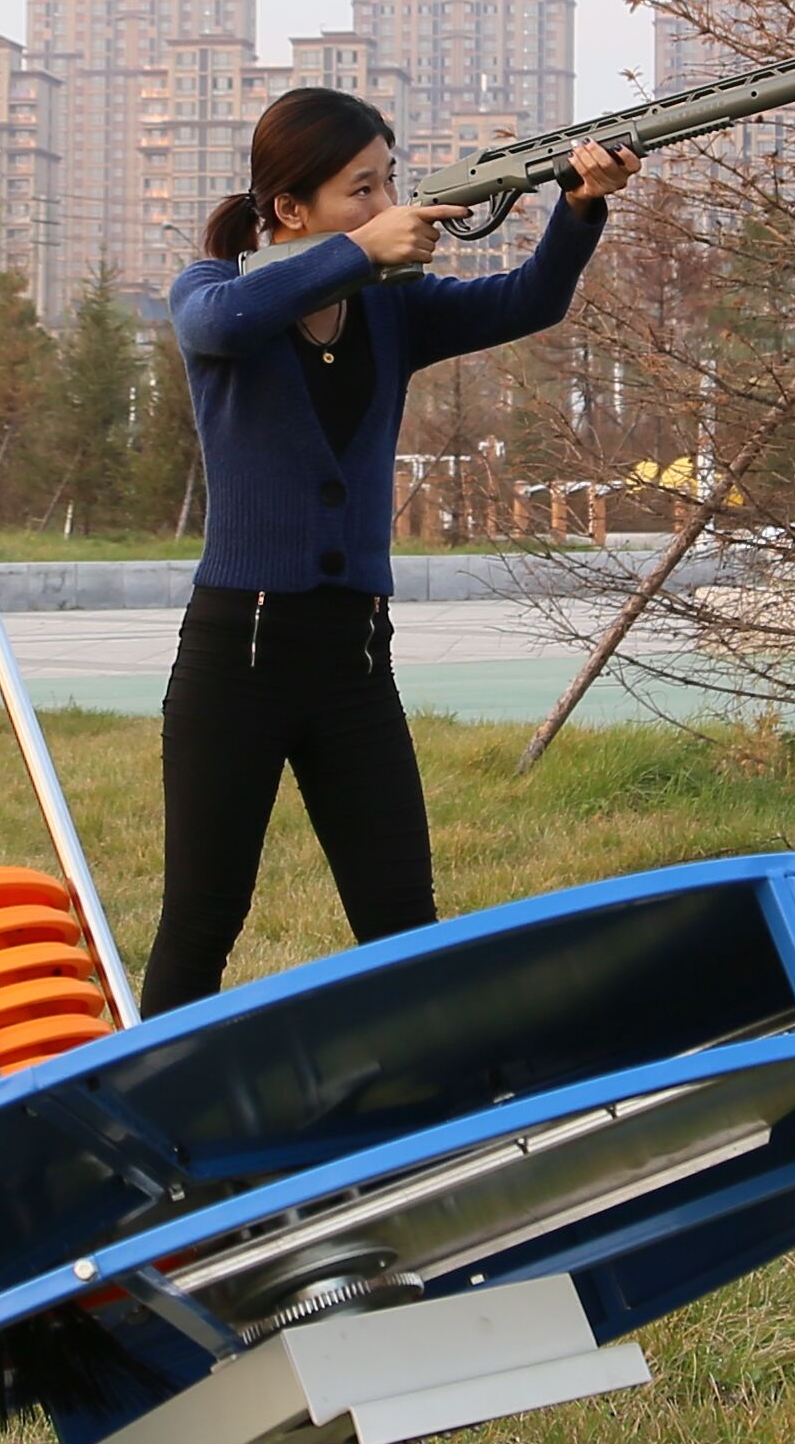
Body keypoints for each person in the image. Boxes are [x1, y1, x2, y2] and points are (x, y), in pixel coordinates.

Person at [145, 87, 637, 1015]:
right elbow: (219, 326)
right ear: (292, 210)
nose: (389, 207)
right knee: (203, 920)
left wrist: (581, 206)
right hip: (238, 656)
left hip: (355, 662)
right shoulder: (212, 292)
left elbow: (530, 300)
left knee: (403, 921)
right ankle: (153, 1138)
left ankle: (435, 1116)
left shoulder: (393, 310)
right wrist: (359, 255)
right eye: (358, 190)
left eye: (390, 183)